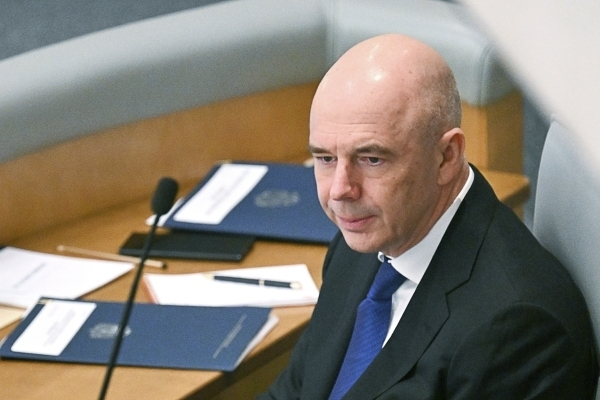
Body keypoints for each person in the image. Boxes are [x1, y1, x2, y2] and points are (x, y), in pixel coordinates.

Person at [258, 34, 598, 399]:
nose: (340, 190)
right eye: (326, 159)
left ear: (447, 157)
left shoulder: (518, 329)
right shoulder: (363, 240)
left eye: (372, 159)